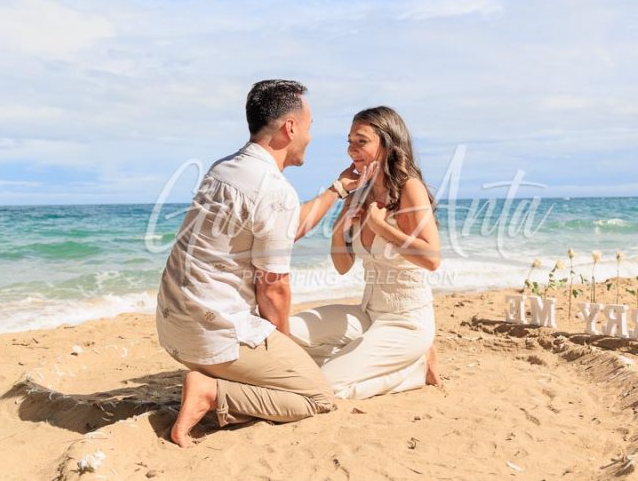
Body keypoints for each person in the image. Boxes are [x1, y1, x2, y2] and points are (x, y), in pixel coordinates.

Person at [156, 80, 367, 447]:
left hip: (173, 325)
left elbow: (285, 229)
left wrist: (337, 189)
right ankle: (210, 392)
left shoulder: (224, 168)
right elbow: (273, 288)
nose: (310, 136)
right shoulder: (274, 190)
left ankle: (218, 381)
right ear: (290, 128)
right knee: (316, 396)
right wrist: (284, 348)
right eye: (310, 126)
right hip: (212, 334)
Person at [289, 106, 441, 400]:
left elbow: (432, 258)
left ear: (387, 144)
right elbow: (342, 266)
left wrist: (379, 226)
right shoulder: (360, 192)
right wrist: (340, 227)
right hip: (367, 315)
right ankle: (357, 359)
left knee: (324, 388)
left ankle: (417, 369)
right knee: (283, 335)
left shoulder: (410, 188)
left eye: (361, 141)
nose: (351, 150)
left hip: (406, 323)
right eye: (349, 141)